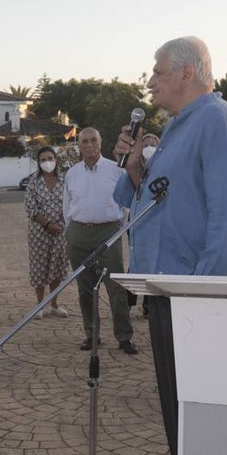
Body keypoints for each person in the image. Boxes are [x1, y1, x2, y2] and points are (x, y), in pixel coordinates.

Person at [113, 36, 227, 455]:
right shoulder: (176, 127)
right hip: (163, 286)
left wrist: (205, 290)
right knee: (178, 401)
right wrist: (131, 167)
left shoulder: (219, 124)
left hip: (196, 293)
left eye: (157, 71)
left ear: (187, 73)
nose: (149, 81)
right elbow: (133, 199)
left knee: (200, 403)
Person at [62, 127, 136, 355]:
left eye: (94, 140)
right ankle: (91, 334)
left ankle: (124, 336)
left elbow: (126, 201)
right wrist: (70, 232)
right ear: (79, 146)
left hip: (108, 233)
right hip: (79, 234)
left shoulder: (116, 170)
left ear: (101, 143)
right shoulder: (72, 173)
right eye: (85, 141)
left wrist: (118, 226)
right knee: (85, 288)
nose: (90, 145)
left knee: (115, 287)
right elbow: (67, 206)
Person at [24, 145, 69, 318]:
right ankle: (40, 305)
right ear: (38, 162)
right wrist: (47, 224)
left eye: (50, 158)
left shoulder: (64, 181)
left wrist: (59, 224)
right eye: (43, 160)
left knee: (57, 267)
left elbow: (70, 203)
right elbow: (30, 208)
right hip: (39, 232)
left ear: (55, 160)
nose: (47, 162)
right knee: (39, 268)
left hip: (60, 232)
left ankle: (54, 304)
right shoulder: (33, 183)